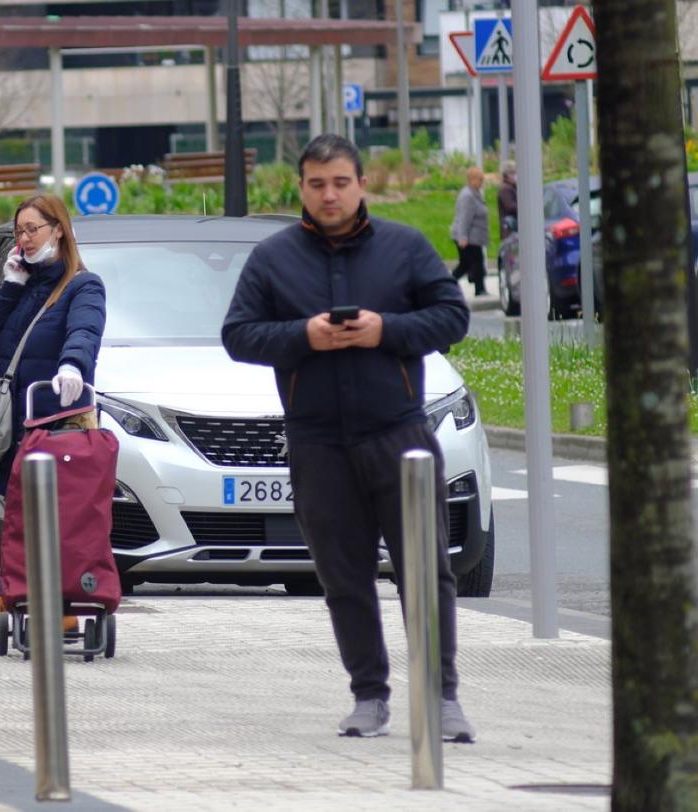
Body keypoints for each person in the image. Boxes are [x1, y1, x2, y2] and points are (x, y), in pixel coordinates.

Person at [221, 134, 476, 743]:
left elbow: (453, 317)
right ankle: (369, 695)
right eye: (317, 184)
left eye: (340, 182)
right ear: (301, 189)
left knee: (426, 571)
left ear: (361, 184)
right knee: (343, 576)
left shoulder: (405, 246)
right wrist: (303, 336)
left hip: (400, 435)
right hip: (317, 442)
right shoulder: (272, 258)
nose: (329, 195)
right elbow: (238, 335)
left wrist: (386, 329)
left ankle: (442, 697)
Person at [0, 193, 106, 643]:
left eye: (34, 229)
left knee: (38, 521)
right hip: (18, 424)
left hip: (59, 425)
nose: (26, 239)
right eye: (19, 231)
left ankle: (0, 605)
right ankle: (46, 608)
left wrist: (73, 365)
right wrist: (10, 286)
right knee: (27, 520)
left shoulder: (82, 286)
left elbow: (84, 330)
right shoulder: (25, 284)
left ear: (59, 230)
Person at [450, 165, 489, 296]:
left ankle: (480, 289)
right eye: (480, 179)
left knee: (475, 262)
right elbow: (464, 218)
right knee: (468, 264)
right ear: (473, 180)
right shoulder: (467, 196)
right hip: (468, 237)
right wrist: (463, 237)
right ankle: (448, 283)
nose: (482, 182)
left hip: (474, 237)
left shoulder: (475, 193)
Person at [498, 160, 518, 239]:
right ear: (506, 175)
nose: (515, 176)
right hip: (510, 230)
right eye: (513, 173)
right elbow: (510, 207)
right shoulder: (505, 189)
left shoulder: (512, 187)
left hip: (512, 229)